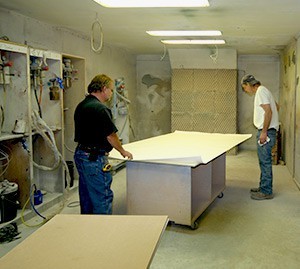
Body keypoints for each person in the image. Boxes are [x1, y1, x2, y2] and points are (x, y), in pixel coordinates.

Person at [74, 74, 133, 214]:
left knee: (87, 195)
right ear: (104, 88)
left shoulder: (82, 105)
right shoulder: (100, 109)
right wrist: (122, 151)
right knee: (102, 197)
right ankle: (102, 231)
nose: (112, 93)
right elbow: (111, 136)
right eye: (111, 90)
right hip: (94, 160)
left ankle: (88, 226)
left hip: (81, 155)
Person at [241, 74, 279, 200]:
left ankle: (266, 191)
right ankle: (263, 187)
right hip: (269, 130)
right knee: (264, 161)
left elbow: (269, 111)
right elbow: (276, 106)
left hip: (266, 132)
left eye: (244, 87)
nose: (245, 90)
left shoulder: (261, 92)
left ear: (249, 84)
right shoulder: (265, 90)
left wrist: (264, 131)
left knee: (265, 162)